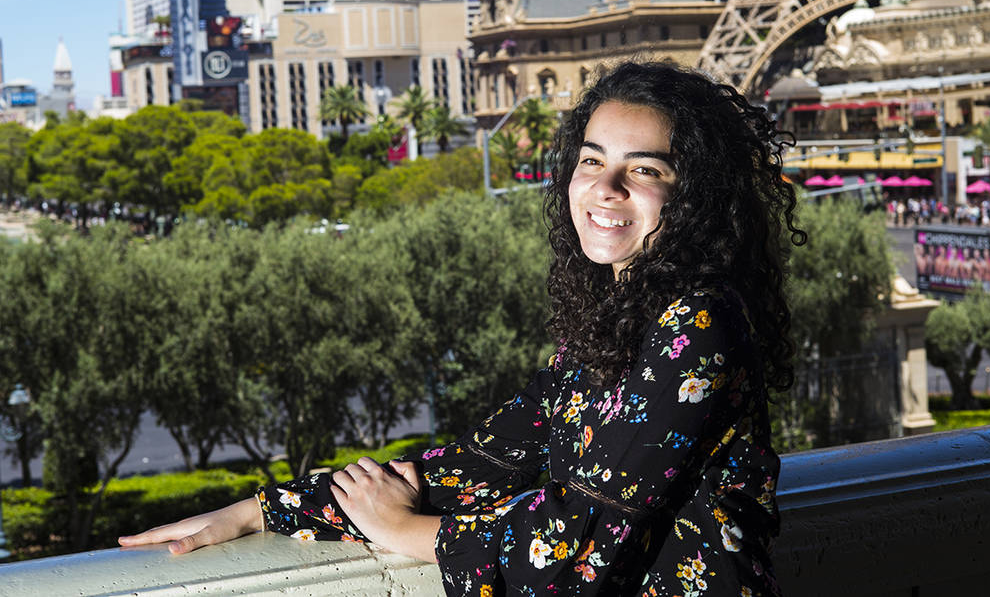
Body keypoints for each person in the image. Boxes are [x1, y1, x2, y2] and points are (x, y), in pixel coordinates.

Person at [119, 61, 805, 596]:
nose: (606, 187)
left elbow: (580, 544)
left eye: (645, 169)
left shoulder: (699, 321)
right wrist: (265, 510)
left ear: (694, 196)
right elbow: (484, 463)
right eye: (592, 160)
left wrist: (408, 531)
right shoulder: (614, 317)